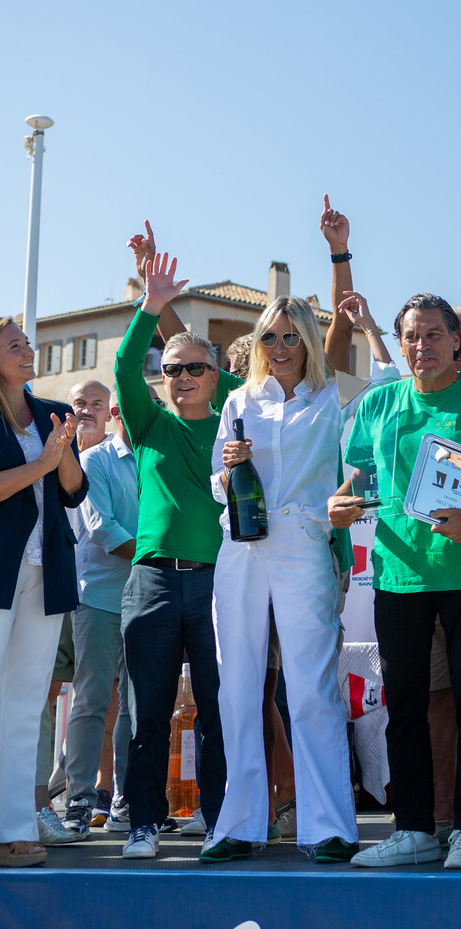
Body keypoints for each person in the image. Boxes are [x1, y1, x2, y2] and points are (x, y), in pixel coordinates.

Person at [332, 294, 461, 870]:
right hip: (398, 575)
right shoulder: (379, 405)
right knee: (405, 707)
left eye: (432, 335)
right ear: (399, 343)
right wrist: (343, 501)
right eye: (410, 337)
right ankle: (416, 830)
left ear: (457, 342)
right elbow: (359, 473)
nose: (420, 346)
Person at [202, 297, 360, 863]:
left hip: (303, 545)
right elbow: (219, 485)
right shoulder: (240, 400)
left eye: (292, 337)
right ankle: (239, 825)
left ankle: (330, 827)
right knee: (237, 686)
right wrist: (228, 465)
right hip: (240, 549)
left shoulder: (331, 401)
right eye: (271, 337)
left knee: (312, 687)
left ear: (311, 342)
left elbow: (353, 464)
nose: (281, 348)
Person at [114, 254, 242, 859]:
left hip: (220, 583)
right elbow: (121, 364)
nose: (183, 376)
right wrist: (151, 306)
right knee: (149, 711)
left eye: (196, 368)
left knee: (219, 710)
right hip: (153, 582)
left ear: (216, 377)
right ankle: (144, 822)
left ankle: (219, 820)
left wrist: (182, 330)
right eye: (171, 369)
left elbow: (256, 381)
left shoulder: (234, 423)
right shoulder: (148, 425)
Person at [0, 317, 86, 868]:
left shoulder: (51, 409)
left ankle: (12, 829)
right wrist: (42, 464)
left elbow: (73, 491)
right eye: (16, 344)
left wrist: (65, 452)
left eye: (27, 343)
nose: (29, 349)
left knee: (23, 706)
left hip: (44, 571)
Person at [58, 381, 135, 838]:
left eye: (96, 403)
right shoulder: (93, 460)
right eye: (79, 403)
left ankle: (126, 801)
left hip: (146, 597)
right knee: (89, 701)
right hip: (99, 598)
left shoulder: (153, 458)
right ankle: (80, 801)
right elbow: (103, 529)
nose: (89, 410)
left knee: (137, 706)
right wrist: (160, 556)